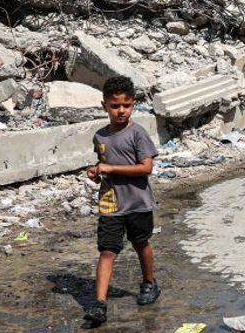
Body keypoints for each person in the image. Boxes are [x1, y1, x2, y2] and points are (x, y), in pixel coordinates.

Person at [82, 76, 161, 328]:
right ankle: (99, 303)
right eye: (115, 106)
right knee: (107, 251)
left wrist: (111, 168)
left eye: (126, 105)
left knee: (140, 243)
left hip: (138, 202)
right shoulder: (100, 137)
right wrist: (96, 173)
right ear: (104, 105)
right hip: (110, 203)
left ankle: (149, 282)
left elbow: (146, 167)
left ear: (133, 105)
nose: (121, 111)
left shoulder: (137, 133)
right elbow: (104, 168)